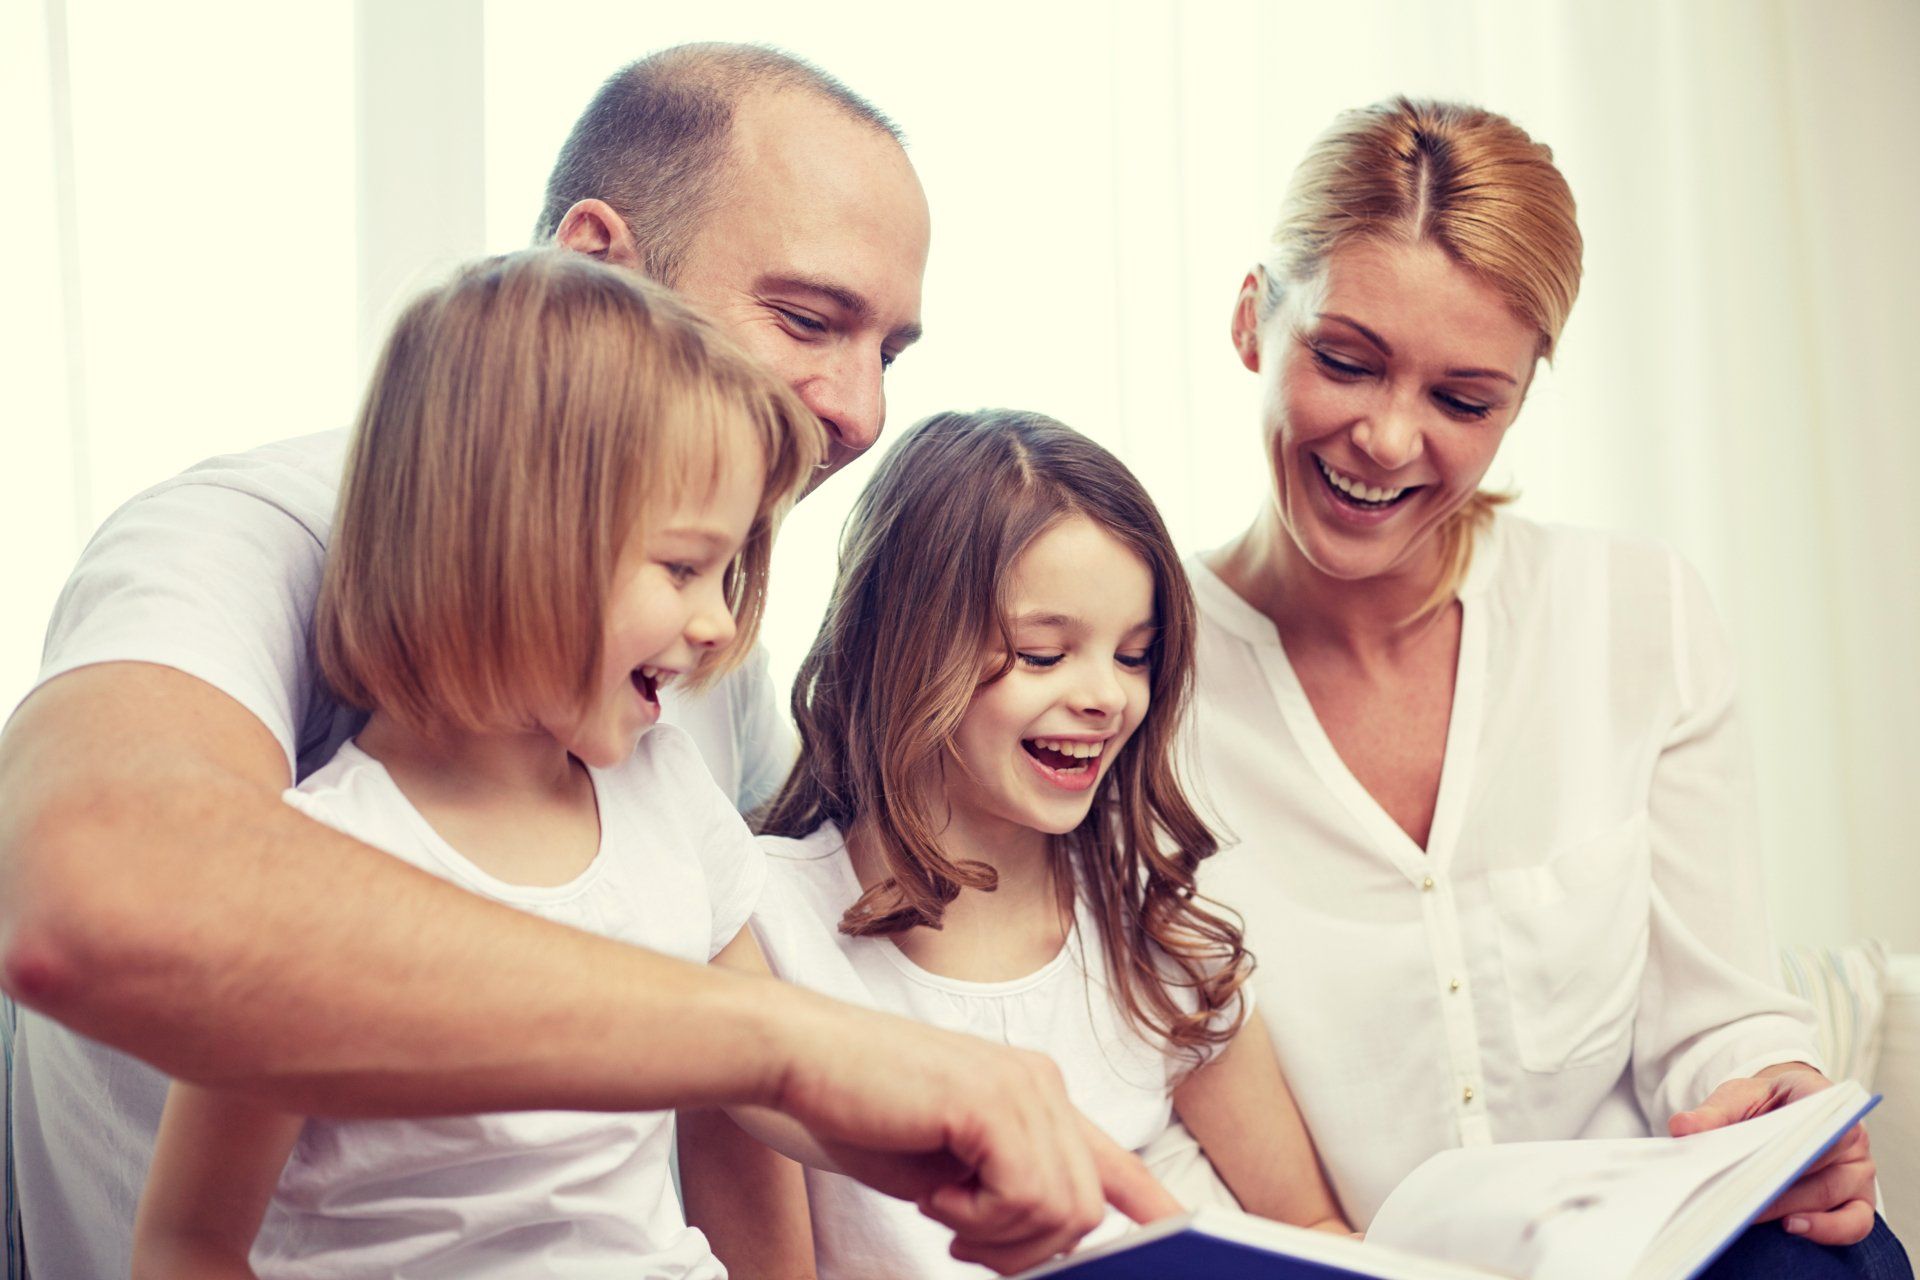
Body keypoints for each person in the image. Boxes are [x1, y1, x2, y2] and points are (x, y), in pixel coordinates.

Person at [0, 45, 1169, 1280]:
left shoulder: (687, 666)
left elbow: (754, 990)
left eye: (892, 351)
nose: (866, 414)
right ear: (591, 267)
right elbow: (89, 898)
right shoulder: (239, 538)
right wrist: (784, 1042)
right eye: (810, 319)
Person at [1181, 97, 1910, 1276]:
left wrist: (1771, 1095)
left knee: (1841, 1254)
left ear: (1521, 397)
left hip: (1645, 1255)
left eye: (1464, 400)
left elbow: (1717, 1012)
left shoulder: (1637, 613)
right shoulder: (1129, 677)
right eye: (1347, 360)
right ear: (1254, 318)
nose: (1387, 438)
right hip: (1345, 1263)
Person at [134, 248, 826, 1277]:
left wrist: (972, 1125)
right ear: (514, 540)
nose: (720, 621)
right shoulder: (320, 873)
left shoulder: (668, 790)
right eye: (684, 566)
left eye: (727, 570)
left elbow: (791, 1077)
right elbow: (188, 1241)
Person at [684, 409, 1352, 1278]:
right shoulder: (759, 932)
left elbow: (1311, 1229)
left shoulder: (1153, 944)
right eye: (1044, 655)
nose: (1107, 697)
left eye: (1136, 655)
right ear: (904, 649)